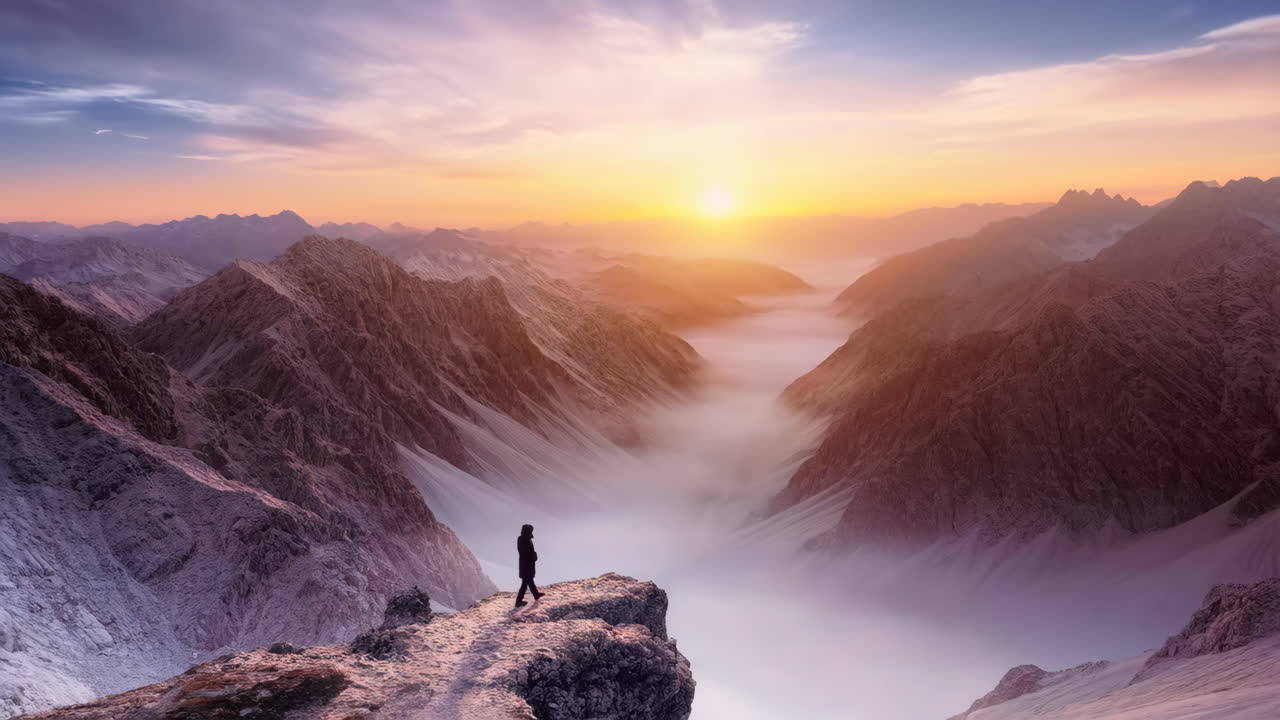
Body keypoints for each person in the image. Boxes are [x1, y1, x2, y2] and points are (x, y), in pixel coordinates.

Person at [515, 523, 543, 608]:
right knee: (525, 583)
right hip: (526, 565)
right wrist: (533, 556)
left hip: (527, 564)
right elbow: (524, 553)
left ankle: (536, 594)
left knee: (529, 581)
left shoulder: (526, 539)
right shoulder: (523, 539)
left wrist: (533, 555)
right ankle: (518, 601)